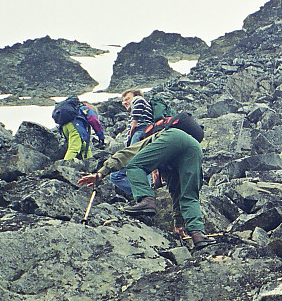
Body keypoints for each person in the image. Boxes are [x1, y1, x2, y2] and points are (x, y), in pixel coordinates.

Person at [78, 124, 213, 249]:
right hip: (195, 149)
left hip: (175, 136)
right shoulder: (169, 168)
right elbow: (177, 194)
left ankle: (147, 200)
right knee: (189, 195)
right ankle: (198, 235)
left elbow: (127, 154)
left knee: (135, 166)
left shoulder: (152, 141)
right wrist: (178, 224)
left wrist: (101, 173)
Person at [109, 89, 155, 197]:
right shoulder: (143, 106)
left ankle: (143, 194)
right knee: (142, 164)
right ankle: (145, 193)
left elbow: (136, 119)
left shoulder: (138, 99)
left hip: (139, 133)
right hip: (145, 135)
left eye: (127, 99)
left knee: (133, 162)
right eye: (123, 101)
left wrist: (131, 131)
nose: (125, 102)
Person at [53, 96, 104, 161]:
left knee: (84, 147)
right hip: (75, 126)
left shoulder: (75, 109)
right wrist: (101, 136)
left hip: (64, 127)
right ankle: (64, 166)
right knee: (74, 147)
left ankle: (89, 162)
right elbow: (93, 120)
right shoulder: (88, 108)